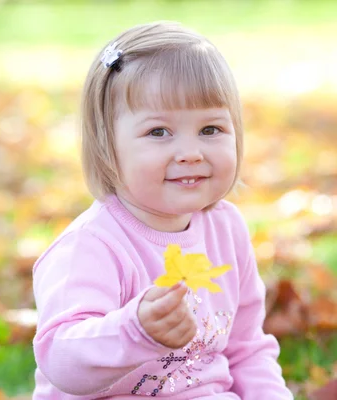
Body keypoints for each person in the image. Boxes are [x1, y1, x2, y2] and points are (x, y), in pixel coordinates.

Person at [31, 21, 293, 399]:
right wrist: (134, 330)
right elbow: (61, 361)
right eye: (159, 132)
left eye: (210, 129)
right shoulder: (90, 246)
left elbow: (246, 349)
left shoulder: (226, 229)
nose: (190, 151)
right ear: (108, 145)